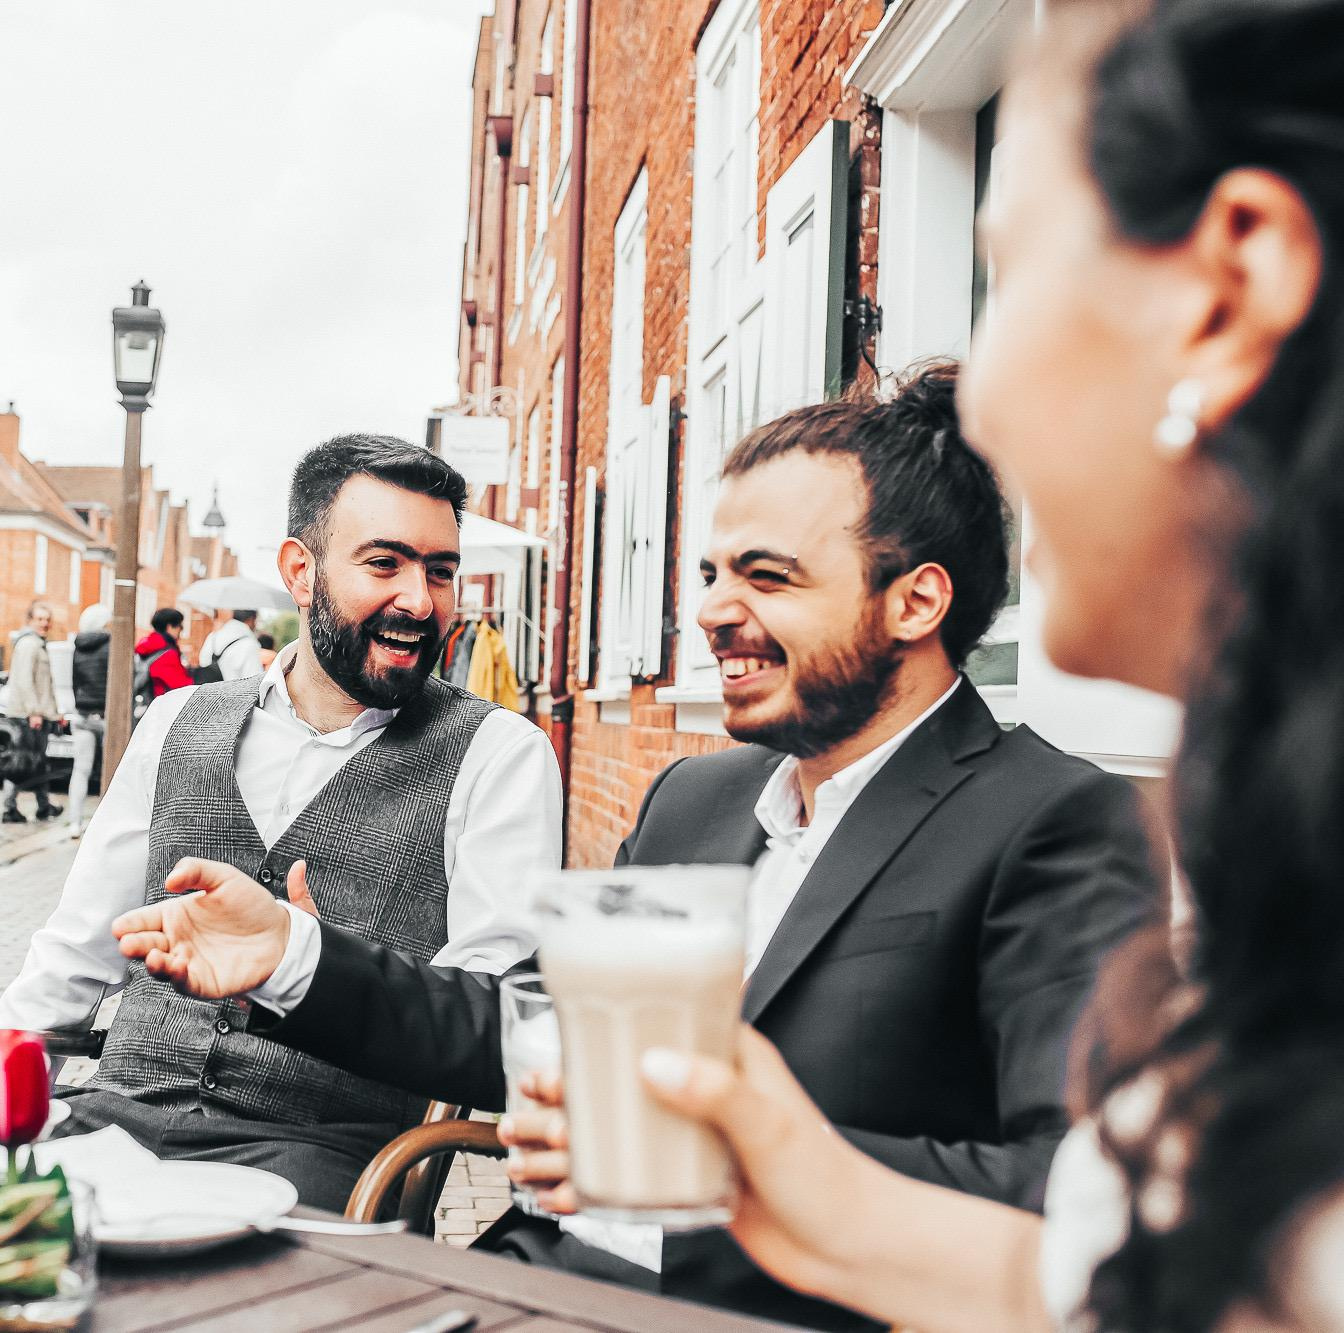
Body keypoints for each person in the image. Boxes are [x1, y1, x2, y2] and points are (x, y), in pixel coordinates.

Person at [504, 3, 1344, 1329]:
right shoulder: (1280, 855)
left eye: (1005, 269)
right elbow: (1092, 1285)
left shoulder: (1063, 816)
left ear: (1229, 285)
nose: (978, 404)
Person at [109, 369, 1162, 1328]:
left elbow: (1079, 1196)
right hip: (540, 1272)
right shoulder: (695, 801)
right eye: (710, 572)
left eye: (766, 576)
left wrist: (732, 1161)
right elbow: (528, 1033)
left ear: (915, 601)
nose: (711, 612)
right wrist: (292, 953)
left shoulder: (1051, 820)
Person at [0, 433, 562, 1212]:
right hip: (112, 1119)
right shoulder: (175, 721)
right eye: (385, 563)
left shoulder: (500, 755)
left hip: (324, 1162)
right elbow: (74, 953)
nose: (420, 600)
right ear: (300, 571)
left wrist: (319, 963)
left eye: (440, 570)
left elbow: (495, 1019)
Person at [0, 601, 61, 825]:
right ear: (30, 621)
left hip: (36, 714)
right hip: (27, 715)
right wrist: (34, 712)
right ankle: (9, 808)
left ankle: (43, 806)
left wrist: (54, 713)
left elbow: (44, 686)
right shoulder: (29, 645)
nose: (44, 623)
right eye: (39, 619)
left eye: (47, 619)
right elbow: (24, 681)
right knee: (20, 762)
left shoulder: (38, 644)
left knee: (38, 762)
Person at [65, 603, 110, 839]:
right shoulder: (112, 645)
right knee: (111, 771)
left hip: (82, 714)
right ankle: (105, 825)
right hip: (105, 716)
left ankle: (75, 822)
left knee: (80, 770)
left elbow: (74, 682)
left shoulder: (78, 647)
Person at [134, 607, 192, 707]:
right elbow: (182, 686)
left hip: (147, 703)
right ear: (169, 627)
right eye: (180, 626)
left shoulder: (148, 645)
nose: (181, 630)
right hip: (160, 707)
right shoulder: (167, 654)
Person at [198, 609, 264, 683]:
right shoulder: (249, 644)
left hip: (208, 689)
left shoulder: (212, 637)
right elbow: (255, 682)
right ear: (251, 620)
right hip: (236, 690)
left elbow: (203, 662)